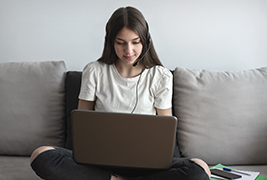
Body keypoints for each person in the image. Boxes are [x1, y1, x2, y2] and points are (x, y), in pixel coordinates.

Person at [30, 6, 211, 180]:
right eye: (120, 43)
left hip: (147, 164)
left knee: (200, 169)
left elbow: (165, 136)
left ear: (145, 40)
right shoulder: (94, 71)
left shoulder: (160, 76)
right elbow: (82, 126)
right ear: (110, 41)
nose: (129, 51)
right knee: (40, 155)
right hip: (100, 162)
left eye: (135, 42)